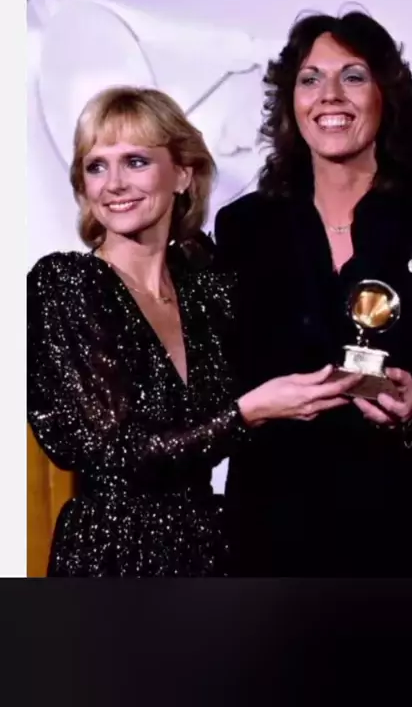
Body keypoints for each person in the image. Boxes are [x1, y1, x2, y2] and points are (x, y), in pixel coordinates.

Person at [27, 85, 361, 577]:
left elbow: (289, 353)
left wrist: (377, 389)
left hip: (210, 551)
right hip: (113, 557)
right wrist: (245, 415)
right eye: (96, 166)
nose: (114, 183)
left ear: (182, 174)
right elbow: (116, 451)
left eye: (135, 161)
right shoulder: (66, 284)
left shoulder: (206, 284)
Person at [214, 10, 412, 577]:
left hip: (411, 524)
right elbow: (223, 379)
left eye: (353, 76)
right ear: (291, 103)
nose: (330, 95)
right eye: (310, 78)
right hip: (277, 530)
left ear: (386, 94)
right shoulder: (243, 227)